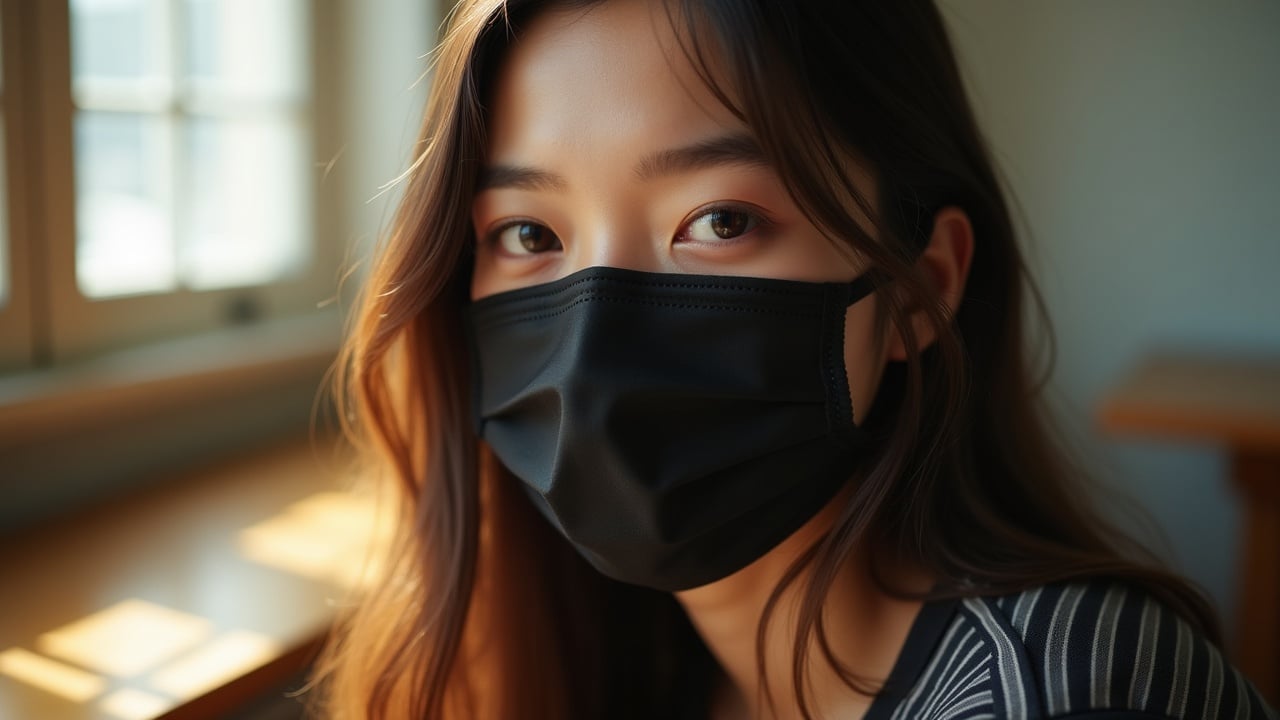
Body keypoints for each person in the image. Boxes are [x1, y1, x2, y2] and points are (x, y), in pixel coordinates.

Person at [315, 0, 1276, 718]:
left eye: (719, 221)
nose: (596, 336)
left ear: (919, 288)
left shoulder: (1079, 692)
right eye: (527, 233)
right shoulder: (590, 666)